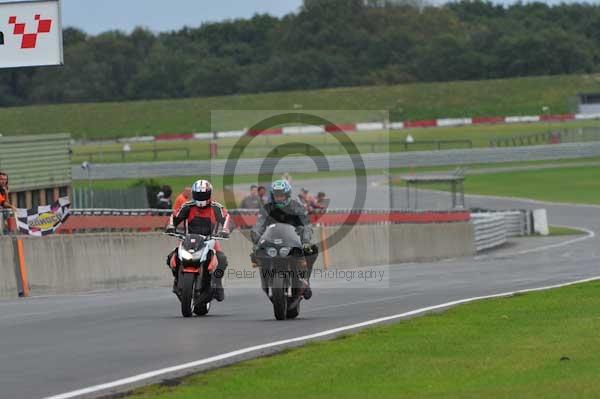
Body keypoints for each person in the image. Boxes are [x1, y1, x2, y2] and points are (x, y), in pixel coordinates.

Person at [165, 180, 231, 302]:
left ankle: (217, 284)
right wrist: (170, 226)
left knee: (221, 259)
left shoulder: (216, 207)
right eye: (199, 195)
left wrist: (225, 230)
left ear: (209, 194)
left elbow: (226, 217)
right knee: (171, 257)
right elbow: (174, 216)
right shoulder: (187, 206)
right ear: (194, 194)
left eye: (204, 195)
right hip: (189, 240)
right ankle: (177, 280)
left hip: (210, 240)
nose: (201, 197)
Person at [251, 180, 318, 300]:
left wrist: (305, 241)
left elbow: (307, 225)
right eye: (276, 195)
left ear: (287, 195)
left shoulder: (297, 207)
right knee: (256, 254)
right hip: (272, 244)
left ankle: (305, 280)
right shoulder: (267, 208)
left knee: (312, 250)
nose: (279, 198)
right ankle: (266, 280)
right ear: (272, 196)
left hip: (294, 242)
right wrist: (256, 240)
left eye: (281, 195)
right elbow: (258, 226)